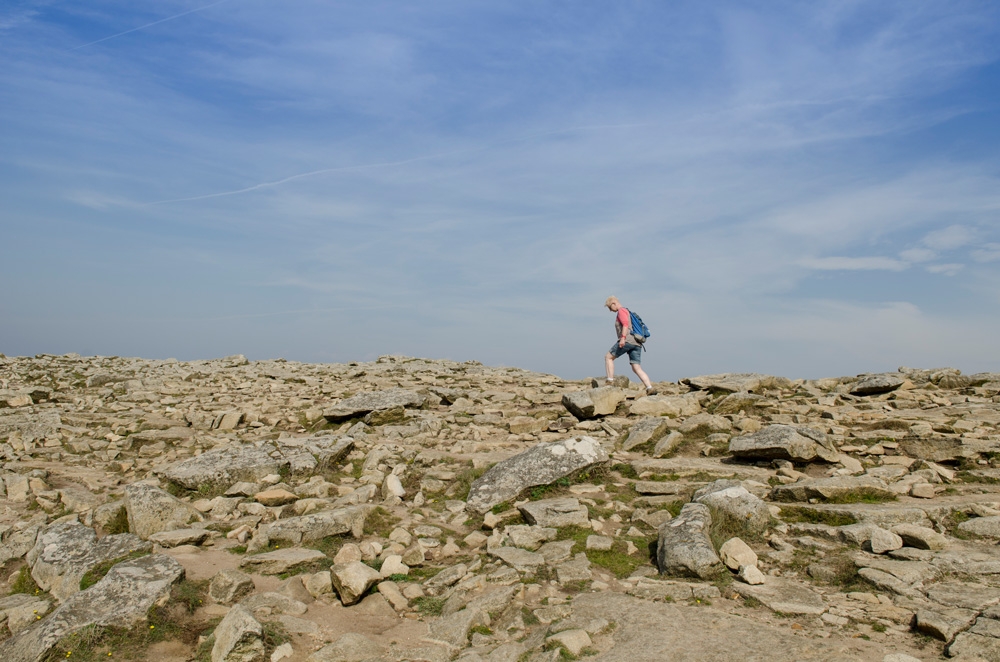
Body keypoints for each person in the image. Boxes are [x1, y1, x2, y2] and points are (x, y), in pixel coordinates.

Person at [604, 296, 657, 395]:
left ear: (613, 303)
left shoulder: (621, 311)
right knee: (636, 367)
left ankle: (610, 381)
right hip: (637, 342)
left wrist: (623, 338)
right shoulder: (627, 311)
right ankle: (649, 388)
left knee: (608, 357)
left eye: (610, 308)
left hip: (628, 340)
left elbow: (625, 324)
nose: (610, 311)